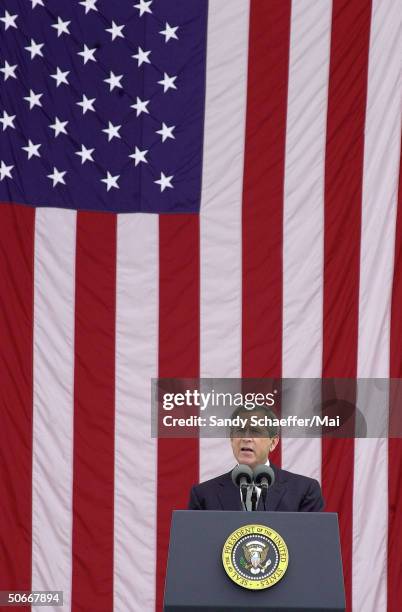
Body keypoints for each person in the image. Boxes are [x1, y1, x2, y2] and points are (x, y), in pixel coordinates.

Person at [188, 405, 324, 511]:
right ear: (231, 439)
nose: (246, 438)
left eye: (255, 431)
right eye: (240, 431)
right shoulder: (204, 494)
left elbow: (312, 542)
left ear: (273, 442)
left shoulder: (303, 490)